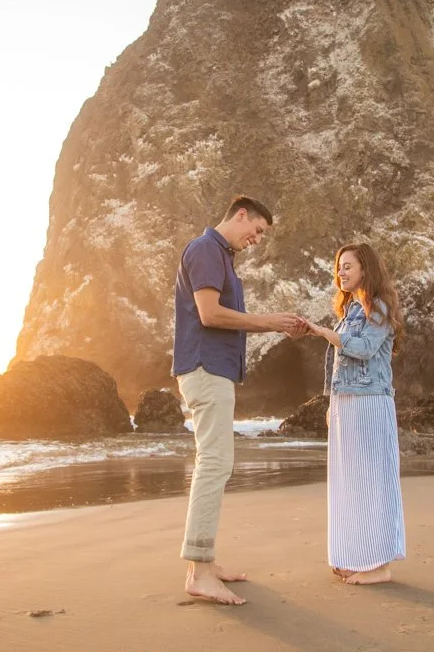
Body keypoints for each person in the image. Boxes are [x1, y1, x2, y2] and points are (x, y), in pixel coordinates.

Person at [173, 195, 304, 605]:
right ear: (241, 214)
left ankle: (206, 564)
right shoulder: (206, 249)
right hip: (205, 369)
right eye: (258, 230)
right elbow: (209, 314)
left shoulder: (221, 257)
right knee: (214, 464)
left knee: (216, 464)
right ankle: (198, 570)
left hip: (214, 371)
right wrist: (269, 323)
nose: (258, 239)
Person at [303, 242, 406, 585]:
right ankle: (357, 556)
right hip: (347, 403)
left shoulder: (378, 306)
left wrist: (321, 332)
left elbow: (363, 349)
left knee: (372, 481)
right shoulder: (350, 311)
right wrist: (332, 404)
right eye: (338, 267)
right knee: (349, 483)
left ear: (365, 269)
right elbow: (338, 367)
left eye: (347, 266)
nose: (340, 273)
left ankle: (380, 565)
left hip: (370, 403)